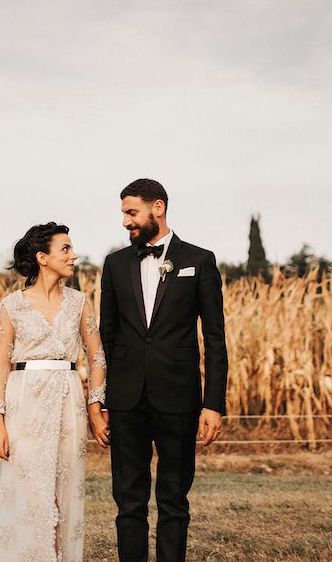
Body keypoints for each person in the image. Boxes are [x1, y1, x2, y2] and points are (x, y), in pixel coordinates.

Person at [100, 179, 228, 562]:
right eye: (124, 213)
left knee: (174, 500)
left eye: (131, 212)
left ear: (158, 208)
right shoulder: (115, 264)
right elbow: (107, 337)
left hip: (179, 398)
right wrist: (102, 399)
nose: (125, 221)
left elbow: (215, 338)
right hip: (126, 399)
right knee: (128, 501)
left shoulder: (199, 260)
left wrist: (213, 404)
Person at [0, 222, 109, 562]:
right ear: (42, 257)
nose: (74, 256)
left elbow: (98, 356)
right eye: (66, 249)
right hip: (24, 402)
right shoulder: (12, 305)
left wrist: (94, 404)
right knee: (27, 489)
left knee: (65, 489)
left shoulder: (78, 302)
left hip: (69, 400)